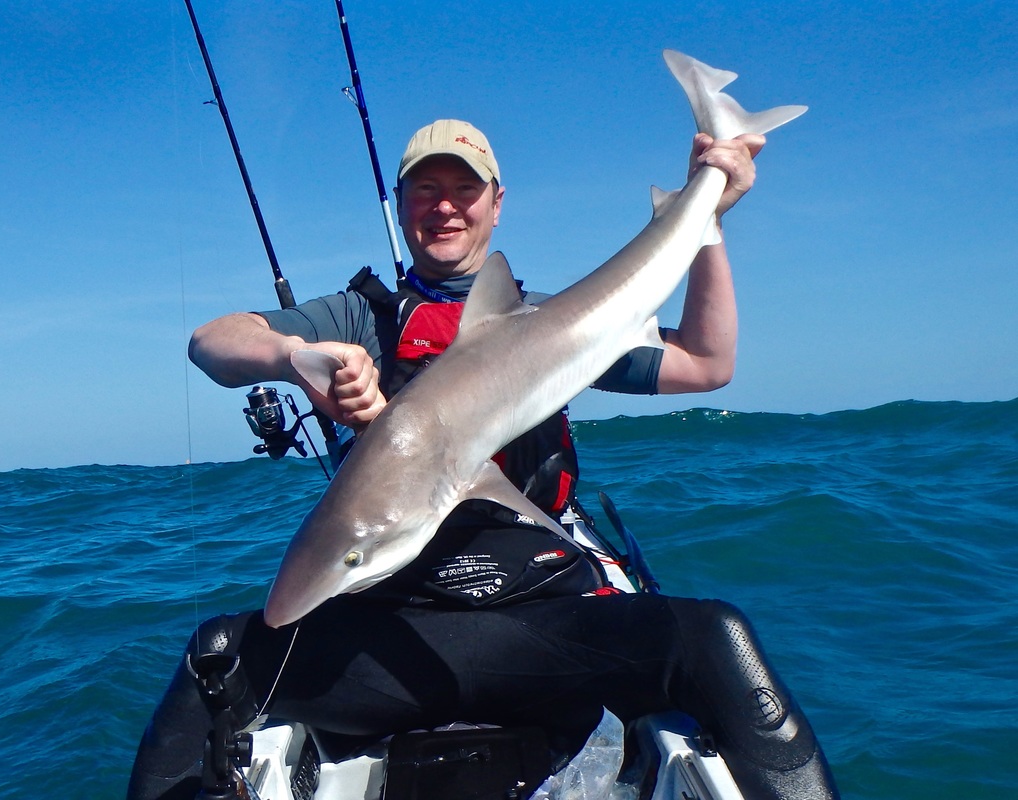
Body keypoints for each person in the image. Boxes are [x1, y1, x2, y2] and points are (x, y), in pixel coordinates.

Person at [128, 120, 840, 799]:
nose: (444, 207)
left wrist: (707, 211)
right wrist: (293, 356)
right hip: (389, 628)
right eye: (424, 190)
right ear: (399, 205)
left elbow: (706, 363)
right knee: (214, 654)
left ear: (496, 205)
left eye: (464, 190)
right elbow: (212, 342)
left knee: (715, 635)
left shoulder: (558, 324)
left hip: (543, 618)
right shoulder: (355, 319)